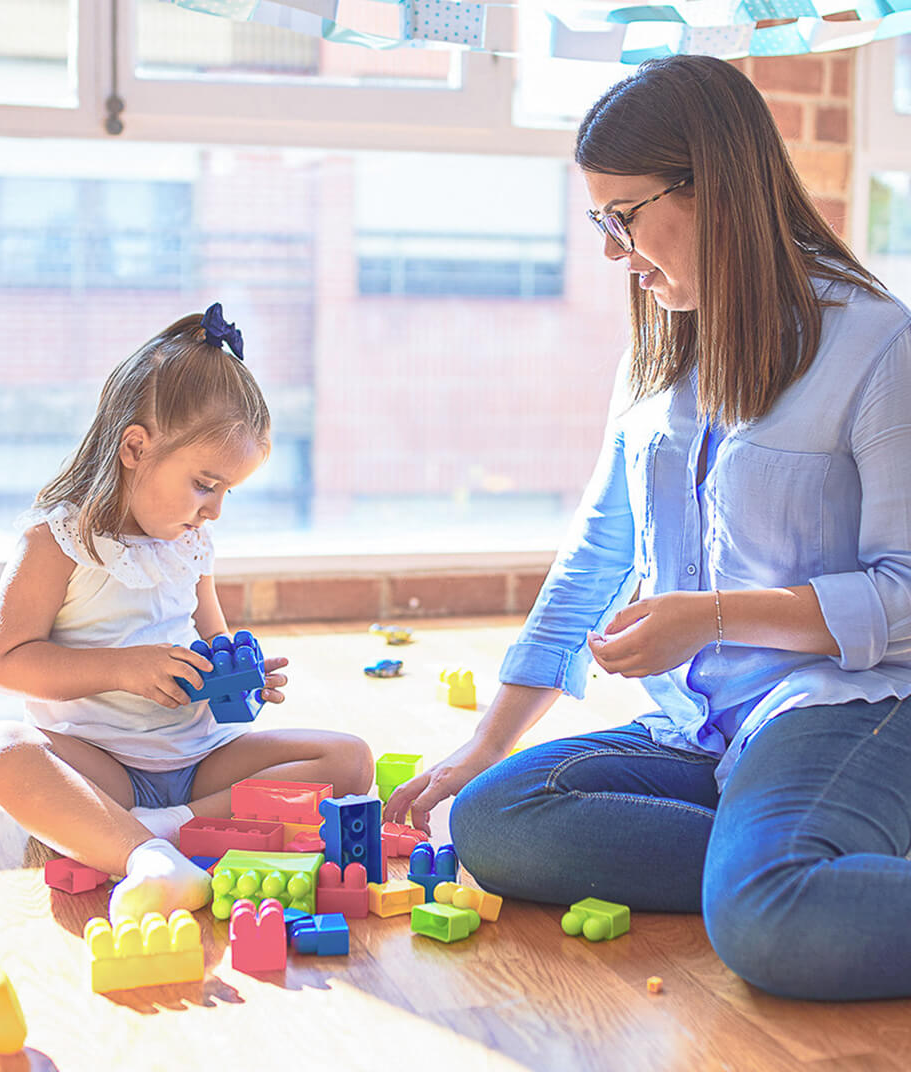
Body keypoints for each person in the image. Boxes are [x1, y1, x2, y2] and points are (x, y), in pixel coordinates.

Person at [385, 55, 911, 1002]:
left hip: (844, 709)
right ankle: (804, 851)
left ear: (714, 186)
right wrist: (482, 746)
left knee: (771, 921)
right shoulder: (665, 345)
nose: (610, 249)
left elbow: (904, 596)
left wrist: (711, 615)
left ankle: (784, 868)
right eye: (599, 220)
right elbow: (595, 556)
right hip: (702, 733)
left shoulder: (877, 344)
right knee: (495, 819)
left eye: (622, 217)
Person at [0, 306, 373, 923]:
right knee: (8, 749)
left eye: (228, 491)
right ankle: (146, 851)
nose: (215, 510)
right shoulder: (57, 540)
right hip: (101, 761)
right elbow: (10, 660)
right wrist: (122, 670)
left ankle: (152, 837)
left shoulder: (190, 543)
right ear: (135, 447)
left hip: (201, 760)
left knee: (350, 760)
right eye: (205, 484)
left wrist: (242, 678)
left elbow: (212, 637)